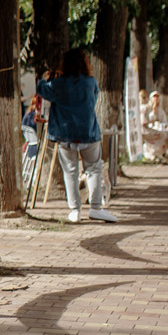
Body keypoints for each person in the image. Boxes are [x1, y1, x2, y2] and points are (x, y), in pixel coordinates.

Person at [37, 48, 118, 224]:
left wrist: (44, 78)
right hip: (89, 132)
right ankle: (96, 208)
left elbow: (42, 90)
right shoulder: (91, 83)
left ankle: (75, 210)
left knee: (70, 172)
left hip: (65, 134)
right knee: (94, 169)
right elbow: (93, 101)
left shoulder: (59, 84)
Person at [141, 90, 168, 162]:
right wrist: (154, 109)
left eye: (157, 97)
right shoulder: (146, 108)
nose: (156, 99)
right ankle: (153, 154)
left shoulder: (160, 109)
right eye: (154, 97)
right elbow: (147, 120)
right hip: (145, 130)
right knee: (162, 135)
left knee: (165, 136)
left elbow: (164, 120)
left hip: (156, 128)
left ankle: (159, 154)